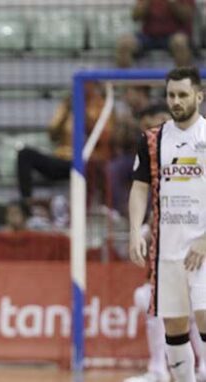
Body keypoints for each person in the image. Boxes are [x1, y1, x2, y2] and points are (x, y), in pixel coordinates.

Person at [129, 66, 206, 382]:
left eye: (183, 94)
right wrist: (135, 229)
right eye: (171, 95)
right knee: (174, 325)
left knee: (203, 316)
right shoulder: (152, 140)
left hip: (202, 248)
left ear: (199, 96)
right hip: (167, 251)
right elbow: (139, 187)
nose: (176, 101)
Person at [16, 84, 113, 210]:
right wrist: (67, 111)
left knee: (96, 167)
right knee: (24, 154)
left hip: (86, 161)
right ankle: (26, 204)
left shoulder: (99, 106)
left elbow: (103, 137)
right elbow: (52, 134)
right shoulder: (67, 104)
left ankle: (92, 208)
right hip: (63, 159)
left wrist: (83, 114)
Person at [116, 0, 195, 68]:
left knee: (180, 42)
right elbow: (135, 17)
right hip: (148, 36)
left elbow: (187, 16)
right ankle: (127, 84)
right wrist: (145, 3)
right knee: (124, 44)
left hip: (173, 35)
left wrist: (173, 2)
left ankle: (183, 81)